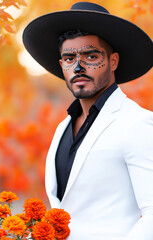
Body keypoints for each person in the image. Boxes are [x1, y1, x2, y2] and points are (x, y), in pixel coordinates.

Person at [23, 2, 153, 240]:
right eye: (69, 58)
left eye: (91, 56)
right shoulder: (62, 128)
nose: (78, 67)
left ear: (113, 61)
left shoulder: (138, 123)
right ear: (62, 66)